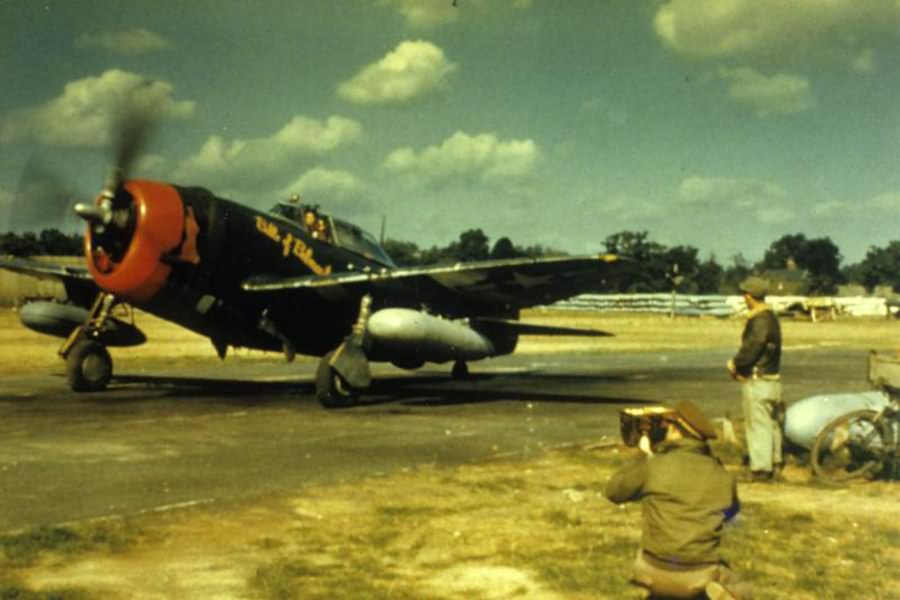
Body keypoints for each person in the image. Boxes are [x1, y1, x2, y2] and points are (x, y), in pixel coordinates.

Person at [606, 400, 748, 600]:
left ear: (674, 430)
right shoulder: (722, 475)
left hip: (653, 568)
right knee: (742, 590)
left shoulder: (654, 466)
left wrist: (642, 455)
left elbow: (614, 492)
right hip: (699, 571)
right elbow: (732, 512)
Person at [726, 276, 783, 481]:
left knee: (758, 425)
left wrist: (736, 364)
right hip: (773, 379)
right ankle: (775, 463)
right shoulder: (772, 318)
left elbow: (753, 346)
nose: (743, 297)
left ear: (750, 296)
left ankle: (760, 470)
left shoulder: (760, 320)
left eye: (745, 294)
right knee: (771, 425)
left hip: (759, 381)